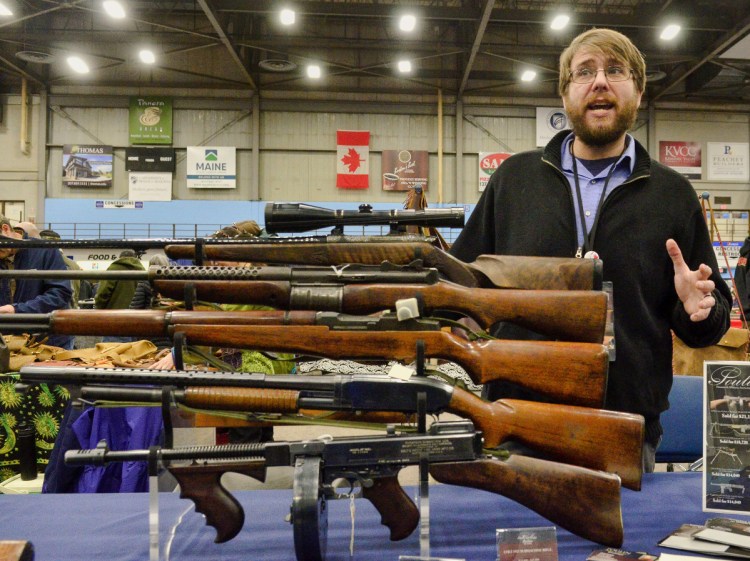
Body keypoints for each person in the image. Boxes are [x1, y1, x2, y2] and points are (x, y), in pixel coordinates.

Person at [449, 28, 732, 472]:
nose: (599, 82)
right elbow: (460, 284)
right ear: (566, 95)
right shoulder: (513, 182)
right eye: (584, 72)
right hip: (518, 419)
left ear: (638, 92)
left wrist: (697, 309)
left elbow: (708, 325)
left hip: (624, 426)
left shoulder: (673, 194)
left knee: (621, 544)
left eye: (615, 70)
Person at [0, 217, 74, 350]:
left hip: (48, 342)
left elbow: (60, 293)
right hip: (8, 342)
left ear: (5, 229)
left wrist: (17, 310)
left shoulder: (45, 250)